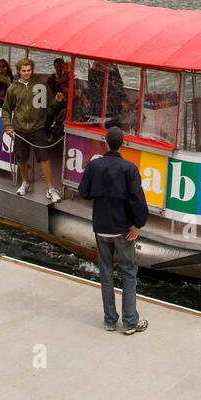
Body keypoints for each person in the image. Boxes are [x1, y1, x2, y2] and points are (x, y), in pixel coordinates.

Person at [78, 126, 148, 334]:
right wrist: (138, 224)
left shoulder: (94, 166)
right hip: (123, 229)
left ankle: (110, 320)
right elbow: (138, 200)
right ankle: (129, 321)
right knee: (128, 273)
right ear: (123, 143)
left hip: (101, 227)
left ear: (105, 142)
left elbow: (84, 192)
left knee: (106, 272)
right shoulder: (130, 168)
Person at [2, 57, 64, 203]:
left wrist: (58, 100)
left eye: (29, 70)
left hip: (38, 128)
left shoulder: (41, 85)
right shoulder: (13, 89)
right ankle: (25, 182)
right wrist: (8, 126)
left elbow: (50, 104)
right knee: (21, 158)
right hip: (20, 129)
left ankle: (50, 189)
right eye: (24, 71)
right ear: (19, 71)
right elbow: (6, 110)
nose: (27, 73)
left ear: (32, 70)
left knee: (44, 158)